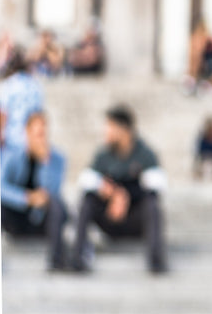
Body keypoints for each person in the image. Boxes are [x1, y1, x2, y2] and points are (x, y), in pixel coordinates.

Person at [70, 105, 168, 274]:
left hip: (134, 219)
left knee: (152, 203)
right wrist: (112, 193)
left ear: (123, 129)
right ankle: (78, 256)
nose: (105, 131)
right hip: (109, 218)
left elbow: (158, 183)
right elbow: (85, 179)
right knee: (87, 199)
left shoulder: (144, 153)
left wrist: (127, 195)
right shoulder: (104, 154)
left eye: (109, 126)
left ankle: (155, 260)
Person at [0, 111, 69, 271]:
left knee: (58, 205)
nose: (41, 138)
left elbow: (54, 192)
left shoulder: (57, 159)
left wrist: (45, 163)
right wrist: (26, 198)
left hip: (40, 219)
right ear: (27, 133)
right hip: (17, 218)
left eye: (43, 134)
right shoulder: (13, 156)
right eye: (37, 134)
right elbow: (1, 188)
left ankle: (56, 260)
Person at [0, 47, 45, 151]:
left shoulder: (8, 85)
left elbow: (3, 113)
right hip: (30, 141)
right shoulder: (36, 85)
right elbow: (39, 115)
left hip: (11, 139)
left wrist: (1, 135)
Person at [186, 22, 212, 94]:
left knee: (211, 65)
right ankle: (198, 82)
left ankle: (208, 82)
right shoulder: (196, 42)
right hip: (201, 70)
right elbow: (193, 61)